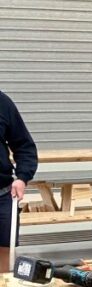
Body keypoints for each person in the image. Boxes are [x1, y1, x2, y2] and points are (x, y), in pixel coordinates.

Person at [0, 90, 38, 270]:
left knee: (4, 260)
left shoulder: (3, 103)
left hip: (2, 197)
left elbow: (24, 146)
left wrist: (22, 178)